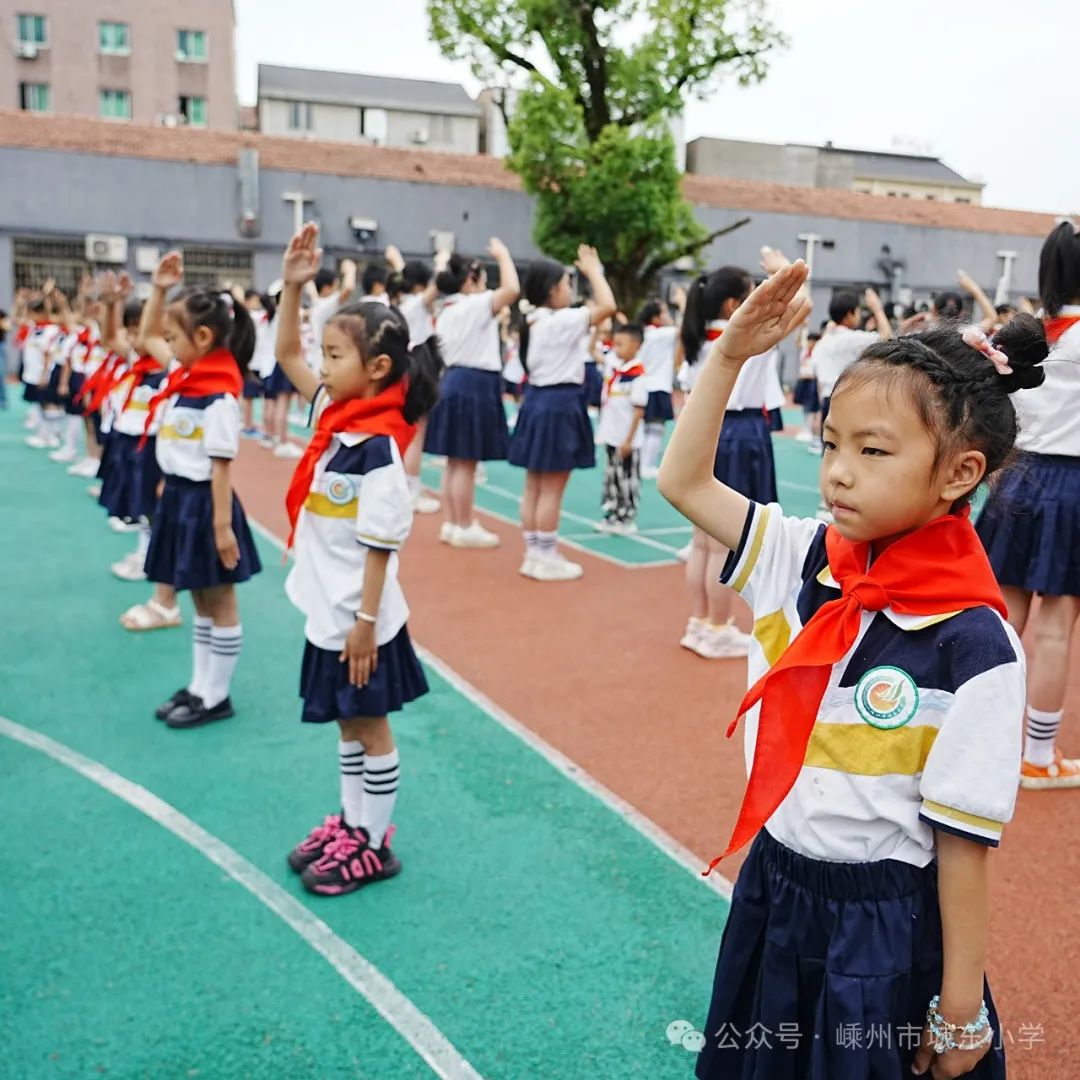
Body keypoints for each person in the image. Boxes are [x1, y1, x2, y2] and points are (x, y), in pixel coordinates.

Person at [660, 260, 1040, 1080]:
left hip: (885, 927)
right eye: (832, 444)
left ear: (959, 474)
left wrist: (961, 1008)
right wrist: (728, 358)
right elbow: (682, 480)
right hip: (777, 889)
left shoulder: (973, 644)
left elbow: (964, 842)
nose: (836, 470)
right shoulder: (800, 558)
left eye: (872, 451)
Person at [273, 222, 435, 896]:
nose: (322, 364)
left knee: (370, 726)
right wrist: (292, 285)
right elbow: (285, 352)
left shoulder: (377, 450)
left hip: (361, 620)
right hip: (329, 611)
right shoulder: (334, 421)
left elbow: (379, 548)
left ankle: (373, 842)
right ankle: (349, 822)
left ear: (376, 370)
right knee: (345, 721)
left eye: (334, 355)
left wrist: (366, 622)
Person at [977, 220, 1080, 788]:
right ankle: (1037, 757)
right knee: (1056, 628)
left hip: (1017, 477)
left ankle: (978, 734)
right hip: (1071, 483)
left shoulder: (1024, 334)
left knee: (1004, 617)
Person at [140, 251, 262, 730]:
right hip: (178, 500)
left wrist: (221, 527)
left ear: (204, 338)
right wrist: (158, 289)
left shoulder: (219, 393)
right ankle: (198, 686)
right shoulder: (183, 374)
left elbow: (221, 468)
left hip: (207, 504)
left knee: (221, 599)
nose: (165, 343)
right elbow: (147, 335)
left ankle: (217, 695)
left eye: (176, 336)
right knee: (197, 596)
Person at [676, 250, 802, 660]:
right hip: (740, 433)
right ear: (734, 304)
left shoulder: (695, 336)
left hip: (705, 430)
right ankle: (717, 627)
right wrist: (781, 268)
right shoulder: (746, 333)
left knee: (701, 542)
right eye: (752, 295)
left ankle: (700, 622)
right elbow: (802, 306)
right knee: (723, 545)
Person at [508, 247, 616, 581]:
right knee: (551, 488)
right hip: (559, 403)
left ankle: (533, 553)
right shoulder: (562, 320)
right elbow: (609, 306)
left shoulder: (533, 320)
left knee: (534, 487)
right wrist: (595, 271)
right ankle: (546, 555)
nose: (570, 290)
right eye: (567, 284)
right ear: (553, 289)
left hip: (537, 401)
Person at [425, 242, 520, 549]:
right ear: (470, 280)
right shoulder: (473, 305)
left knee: (456, 462)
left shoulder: (447, 307)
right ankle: (463, 524)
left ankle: (454, 523)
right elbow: (512, 289)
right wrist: (504, 255)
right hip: (472, 383)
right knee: (465, 462)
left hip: (453, 380)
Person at [385, 244, 446, 515]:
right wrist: (443, 261)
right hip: (419, 367)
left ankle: (401, 486)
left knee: (403, 430)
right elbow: (439, 284)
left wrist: (397, 259)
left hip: (404, 366)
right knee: (416, 433)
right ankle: (411, 490)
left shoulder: (398, 303)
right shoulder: (417, 303)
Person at [595, 322, 648, 534]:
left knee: (627, 479)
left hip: (627, 440)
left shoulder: (637, 375)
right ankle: (612, 513)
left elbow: (638, 411)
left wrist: (628, 440)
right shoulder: (615, 367)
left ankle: (626, 517)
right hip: (611, 435)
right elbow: (593, 351)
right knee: (611, 478)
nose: (615, 348)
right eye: (614, 343)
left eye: (620, 344)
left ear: (636, 345)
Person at [637, 295, 680, 480]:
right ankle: (647, 465)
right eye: (663, 313)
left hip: (644, 385)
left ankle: (642, 463)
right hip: (657, 386)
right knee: (656, 428)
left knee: (645, 427)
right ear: (655, 318)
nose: (666, 316)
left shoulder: (644, 333)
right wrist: (681, 303)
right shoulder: (661, 334)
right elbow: (683, 329)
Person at [792, 329, 822, 446]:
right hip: (802, 381)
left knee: (811, 408)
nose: (809, 343)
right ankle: (805, 428)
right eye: (808, 341)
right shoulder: (805, 350)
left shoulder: (819, 353)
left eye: (812, 341)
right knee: (804, 405)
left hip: (812, 382)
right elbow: (797, 341)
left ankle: (809, 430)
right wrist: (801, 326)